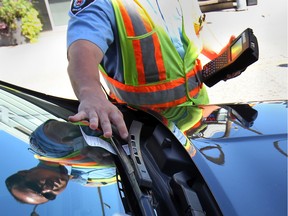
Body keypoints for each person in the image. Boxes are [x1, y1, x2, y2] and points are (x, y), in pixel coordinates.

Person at [66, 0, 237, 140]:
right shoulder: (102, 3)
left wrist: (220, 56)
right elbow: (82, 50)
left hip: (198, 118)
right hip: (148, 134)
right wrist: (90, 94)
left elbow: (195, 27)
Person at [5, 119, 117, 205]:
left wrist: (84, 146)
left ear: (24, 173)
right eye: (49, 195)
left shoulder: (44, 148)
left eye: (36, 186)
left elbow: (53, 129)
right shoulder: (89, 182)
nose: (49, 188)